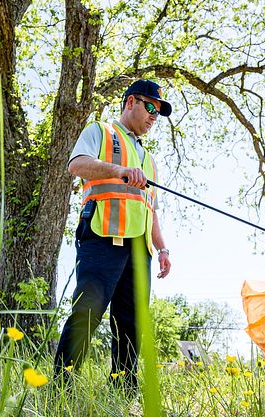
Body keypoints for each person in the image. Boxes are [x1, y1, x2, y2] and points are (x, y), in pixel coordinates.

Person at [53, 80, 173, 389]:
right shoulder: (101, 132)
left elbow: (151, 210)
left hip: (139, 248)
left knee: (131, 323)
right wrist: (118, 171)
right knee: (89, 311)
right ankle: (60, 389)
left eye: (158, 112)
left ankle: (124, 390)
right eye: (150, 107)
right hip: (102, 235)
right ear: (131, 102)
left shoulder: (149, 161)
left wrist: (162, 249)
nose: (153, 116)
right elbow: (77, 165)